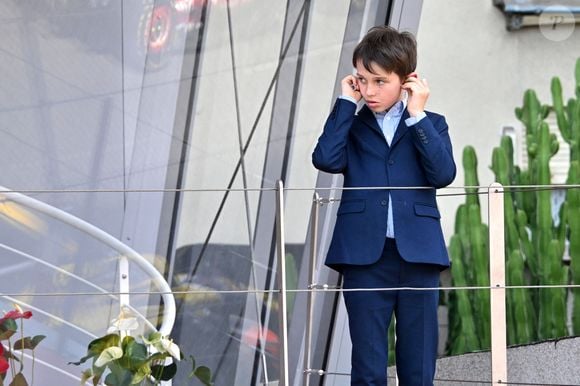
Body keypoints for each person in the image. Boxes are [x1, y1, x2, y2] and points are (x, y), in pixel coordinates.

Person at [312, 26, 456, 385]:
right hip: (364, 256)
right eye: (362, 80)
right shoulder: (351, 125)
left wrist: (417, 113)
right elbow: (326, 159)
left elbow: (443, 173)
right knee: (368, 365)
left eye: (379, 81)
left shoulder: (431, 123)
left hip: (418, 256)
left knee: (419, 365)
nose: (369, 91)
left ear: (407, 80)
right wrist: (346, 101)